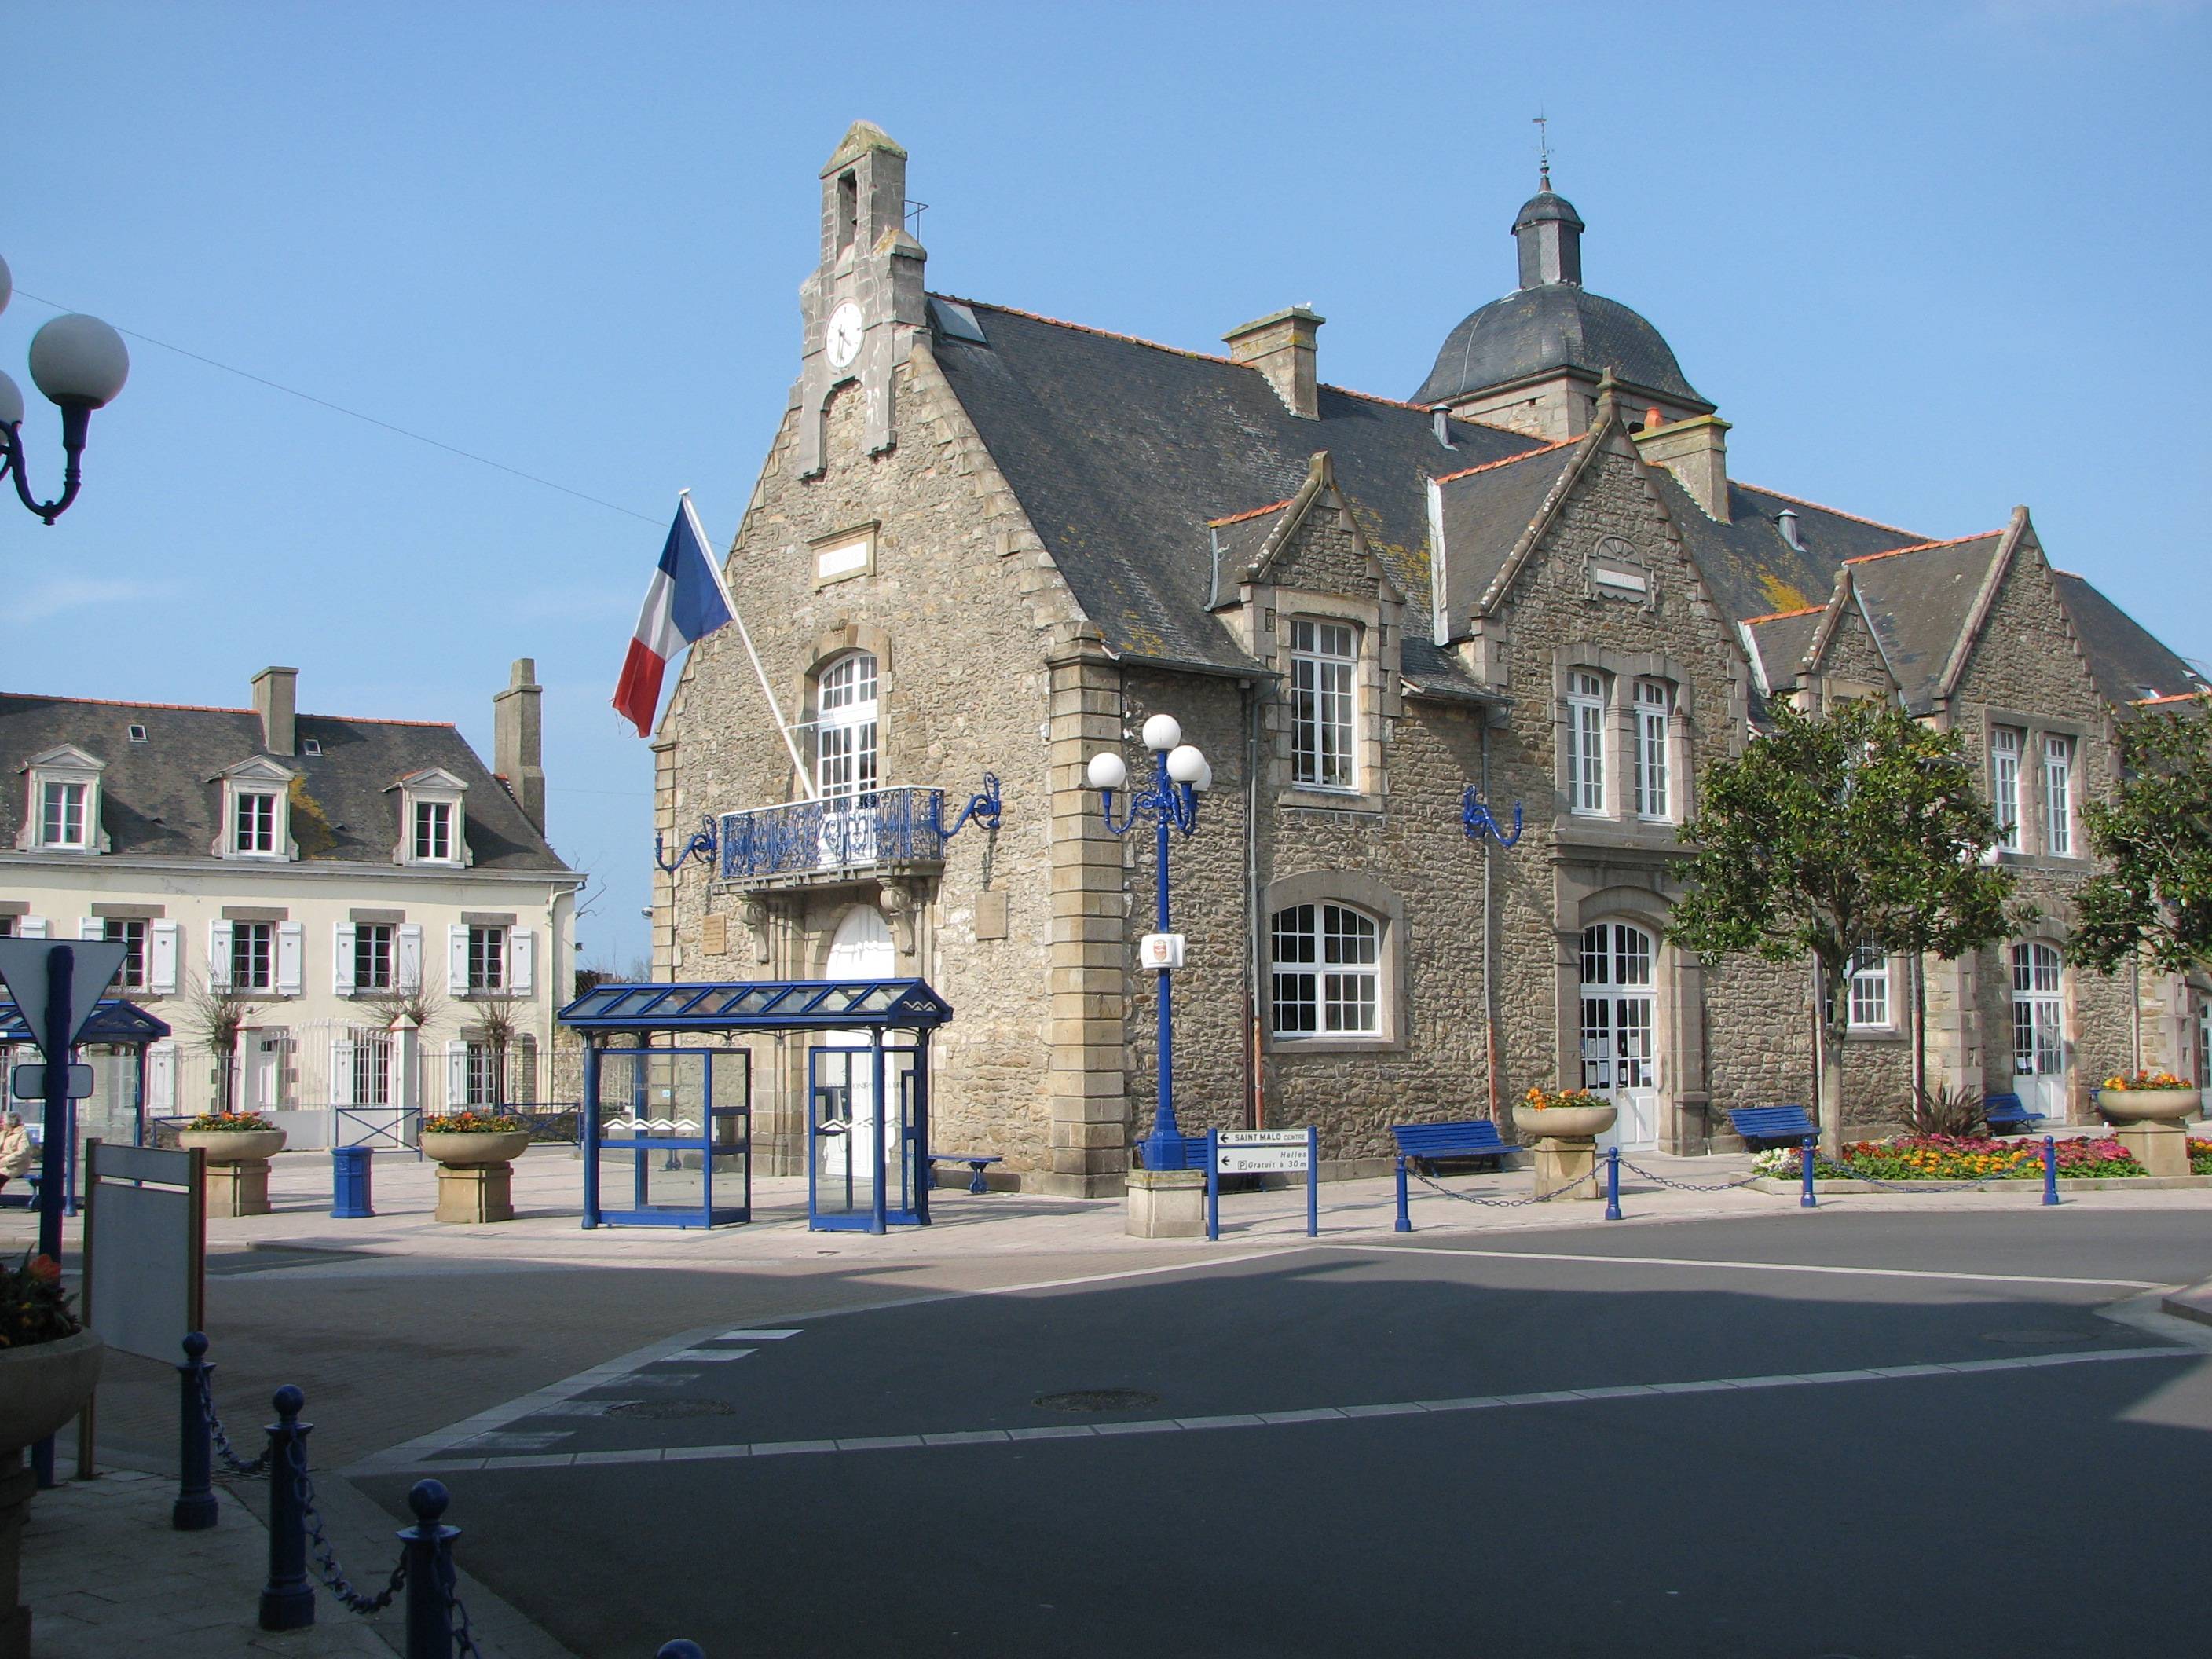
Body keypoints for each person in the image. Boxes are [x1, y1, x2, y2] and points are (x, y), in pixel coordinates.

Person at [0, 1111, 31, 1198]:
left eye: (4, 1122)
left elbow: (23, 1152)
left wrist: (4, 1161)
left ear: (11, 1123)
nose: (2, 1124)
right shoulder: (4, 1133)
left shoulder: (23, 1134)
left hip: (15, 1165)